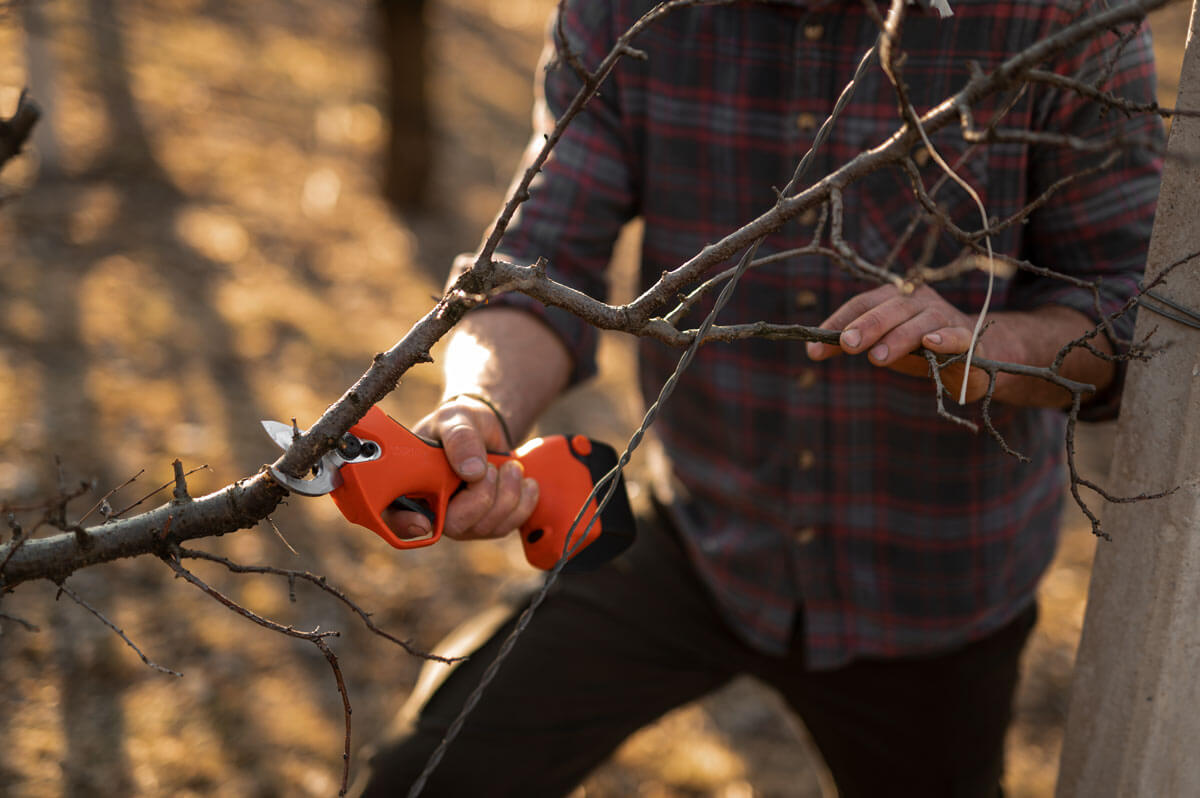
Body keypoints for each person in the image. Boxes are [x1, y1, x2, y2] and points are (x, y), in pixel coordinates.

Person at [351, 0, 1163, 795]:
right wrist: (478, 410)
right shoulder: (621, 13)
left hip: (933, 588)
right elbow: (535, 267)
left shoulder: (1061, 16)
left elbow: (1132, 312)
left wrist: (993, 348)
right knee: (427, 776)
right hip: (703, 531)